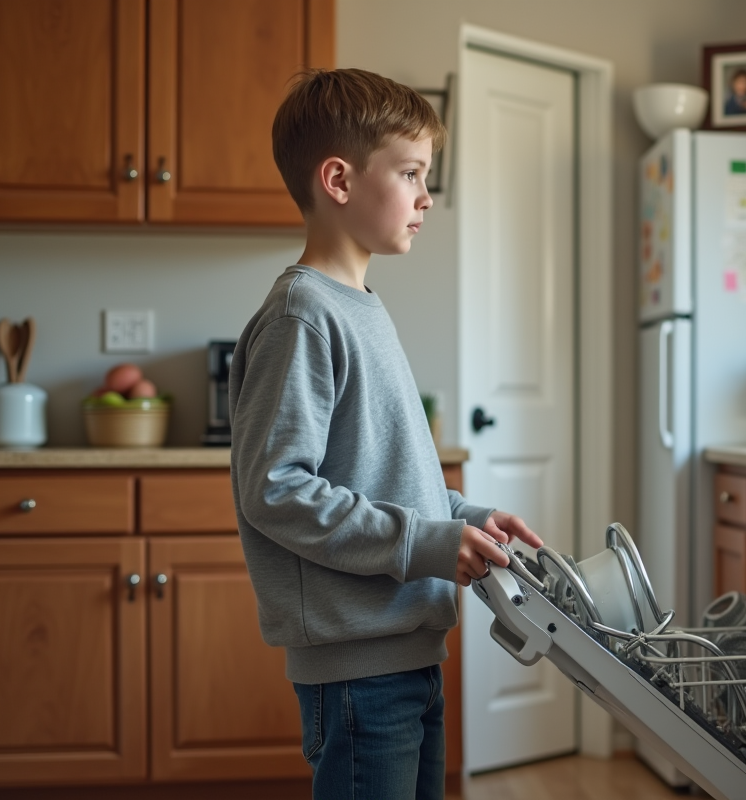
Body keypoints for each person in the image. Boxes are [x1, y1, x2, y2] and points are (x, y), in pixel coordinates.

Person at [228, 68, 543, 800]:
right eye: (410, 173)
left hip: (406, 653)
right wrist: (425, 544)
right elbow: (275, 489)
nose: (427, 196)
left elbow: (384, 474)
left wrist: (464, 519)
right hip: (357, 671)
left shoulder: (361, 306)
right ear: (338, 179)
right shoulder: (303, 316)